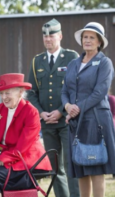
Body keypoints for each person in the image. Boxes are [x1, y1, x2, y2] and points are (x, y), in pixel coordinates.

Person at [0, 73, 52, 197]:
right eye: (1, 93)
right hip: (7, 159)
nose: (3, 97)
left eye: (7, 93)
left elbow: (21, 149)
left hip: (27, 161)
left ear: (20, 92)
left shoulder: (31, 112)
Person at [27, 18, 80, 197]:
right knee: (55, 167)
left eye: (52, 36)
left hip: (67, 120)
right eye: (45, 36)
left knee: (72, 164)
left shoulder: (72, 57)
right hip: (47, 123)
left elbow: (75, 90)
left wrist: (61, 111)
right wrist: (41, 113)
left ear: (60, 36)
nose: (48, 39)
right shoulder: (37, 61)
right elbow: (32, 92)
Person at [62, 22, 115, 197]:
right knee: (81, 166)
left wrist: (76, 109)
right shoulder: (73, 63)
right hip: (76, 121)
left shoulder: (104, 62)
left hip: (96, 119)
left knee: (95, 165)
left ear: (100, 42)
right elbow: (65, 91)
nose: (88, 40)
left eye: (92, 37)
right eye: (85, 37)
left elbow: (100, 93)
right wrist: (68, 106)